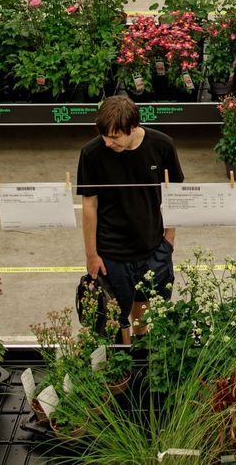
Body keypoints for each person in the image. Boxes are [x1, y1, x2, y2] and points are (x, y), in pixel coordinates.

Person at [77, 95, 184, 343]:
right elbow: (89, 205)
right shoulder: (91, 153)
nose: (107, 142)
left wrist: (169, 239)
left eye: (114, 137)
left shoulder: (162, 145)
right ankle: (122, 367)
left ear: (134, 127)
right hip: (112, 253)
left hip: (153, 246)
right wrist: (91, 255)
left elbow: (173, 193)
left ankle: (140, 350)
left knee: (144, 307)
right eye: (104, 135)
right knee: (115, 317)